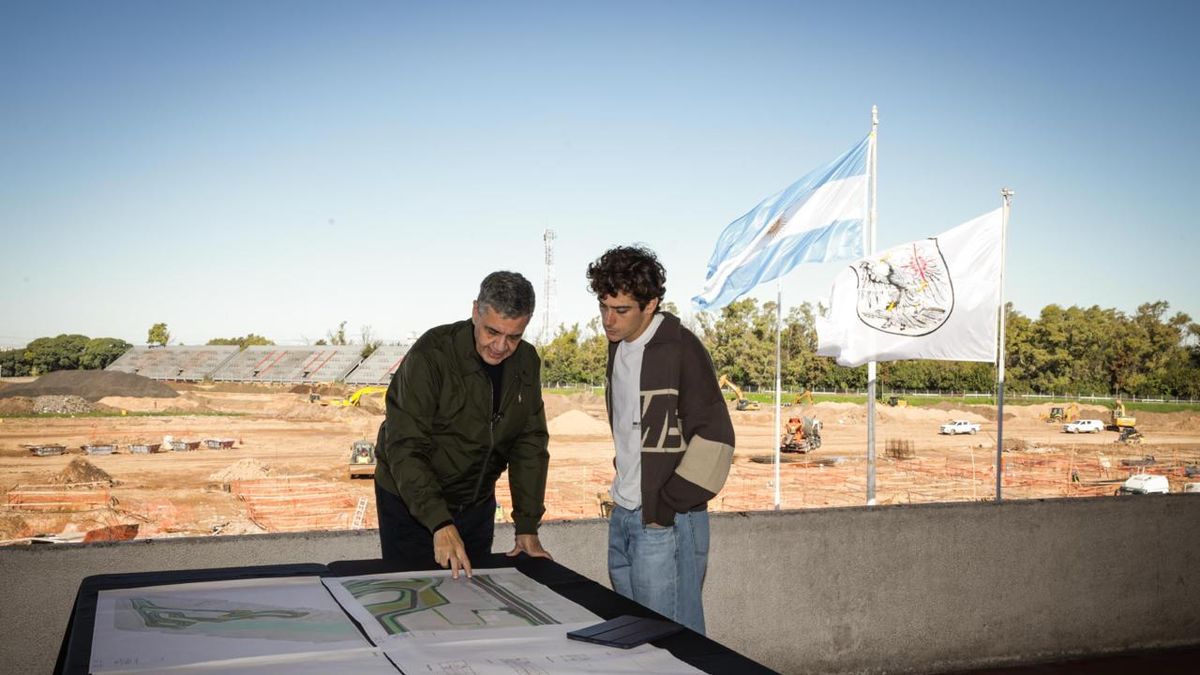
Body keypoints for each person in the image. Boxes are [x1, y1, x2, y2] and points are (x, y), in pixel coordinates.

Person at [585, 245, 735, 634]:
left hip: (666, 521)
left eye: (621, 311)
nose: (608, 320)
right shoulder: (618, 348)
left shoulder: (681, 349)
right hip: (624, 513)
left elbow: (716, 437)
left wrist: (666, 506)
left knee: (672, 641)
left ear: (650, 305)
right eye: (603, 307)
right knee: (635, 637)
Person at [374, 271, 552, 578]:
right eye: (492, 332)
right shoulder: (432, 355)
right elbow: (406, 446)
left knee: (469, 601)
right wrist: (439, 522)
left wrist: (527, 526)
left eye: (514, 336)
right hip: (410, 503)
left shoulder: (526, 362)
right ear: (475, 311)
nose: (500, 346)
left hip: (475, 502)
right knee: (415, 599)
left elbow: (530, 445)